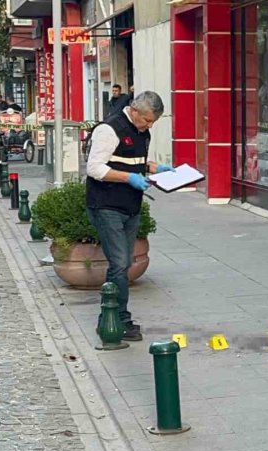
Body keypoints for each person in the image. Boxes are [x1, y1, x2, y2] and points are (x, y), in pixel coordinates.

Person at [85, 91, 174, 341]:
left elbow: (132, 160)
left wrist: (155, 168)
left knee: (124, 264)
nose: (149, 126)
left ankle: (115, 315)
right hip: (106, 204)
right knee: (120, 263)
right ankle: (116, 318)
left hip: (130, 205)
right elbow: (95, 168)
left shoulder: (142, 130)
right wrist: (129, 178)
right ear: (134, 110)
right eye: (147, 120)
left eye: (153, 122)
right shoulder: (108, 129)